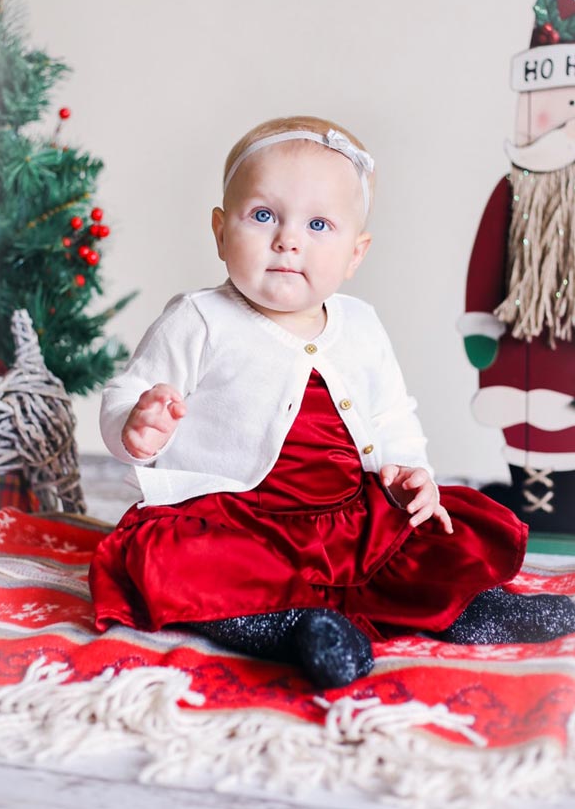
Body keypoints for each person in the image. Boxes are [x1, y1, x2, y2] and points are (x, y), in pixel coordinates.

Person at [89, 115, 575, 689]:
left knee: (433, 539)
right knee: (184, 566)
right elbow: (126, 392)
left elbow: (393, 412)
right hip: (239, 517)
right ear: (220, 232)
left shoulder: (361, 325)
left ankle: (465, 611)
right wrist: (137, 424)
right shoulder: (199, 319)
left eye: (319, 224)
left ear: (355, 253)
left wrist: (411, 471)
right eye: (263, 215)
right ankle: (296, 630)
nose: (288, 239)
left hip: (346, 514)